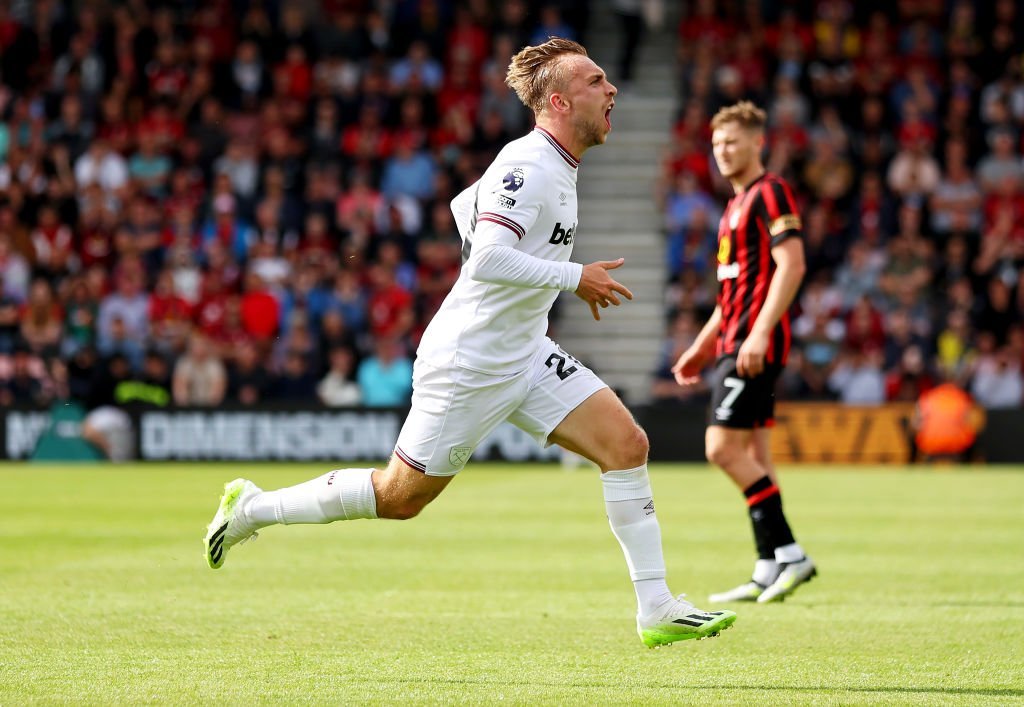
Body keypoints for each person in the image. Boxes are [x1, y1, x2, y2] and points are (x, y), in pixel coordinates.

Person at [204, 38, 735, 647]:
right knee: (400, 498)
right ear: (558, 102)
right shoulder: (529, 165)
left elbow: (467, 209)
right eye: (596, 82)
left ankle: (656, 606)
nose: (610, 90)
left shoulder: (553, 164)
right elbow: (486, 257)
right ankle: (252, 508)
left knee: (626, 442)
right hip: (470, 363)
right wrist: (573, 276)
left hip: (525, 350)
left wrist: (546, 271)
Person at [672, 101, 816, 604]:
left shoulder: (771, 192)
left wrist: (757, 334)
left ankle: (793, 555)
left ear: (759, 142)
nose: (723, 152)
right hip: (733, 343)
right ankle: (768, 564)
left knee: (721, 449)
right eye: (716, 144)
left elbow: (791, 265)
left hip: (753, 348)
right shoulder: (732, 208)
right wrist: (698, 347)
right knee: (755, 454)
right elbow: (729, 294)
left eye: (732, 141)